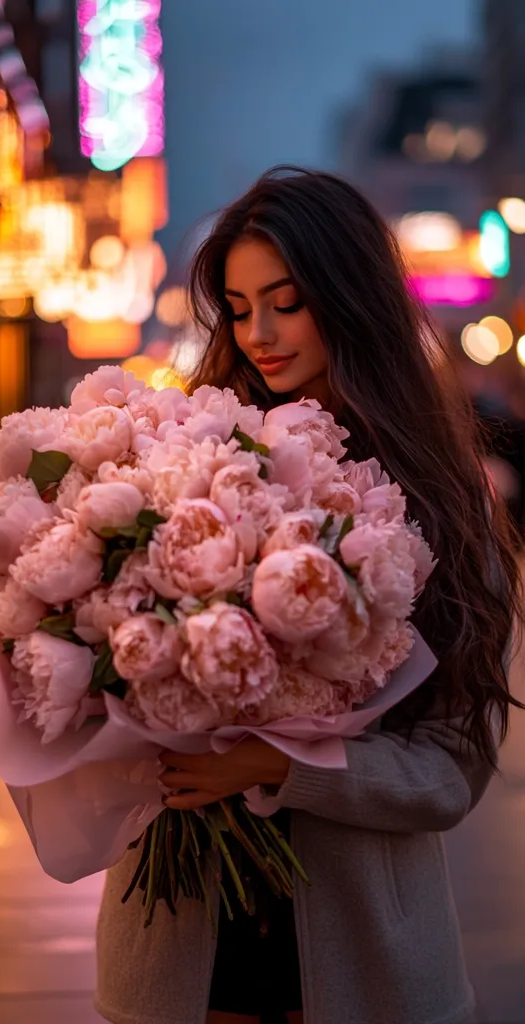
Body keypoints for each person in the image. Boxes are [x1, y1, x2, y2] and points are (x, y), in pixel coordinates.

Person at [95, 168, 522, 1024]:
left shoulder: (437, 493)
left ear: (349, 296)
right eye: (240, 305)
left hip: (369, 964)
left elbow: (452, 771)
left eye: (286, 302)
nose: (258, 332)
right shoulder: (185, 463)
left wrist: (283, 769)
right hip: (179, 959)